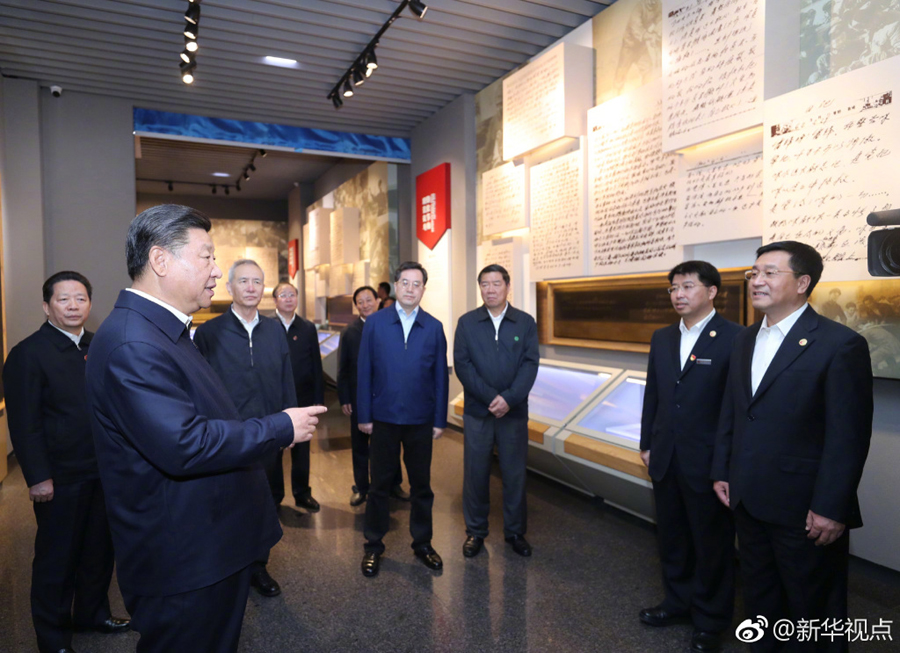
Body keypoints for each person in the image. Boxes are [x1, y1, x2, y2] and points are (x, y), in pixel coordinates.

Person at [85, 205, 325, 653]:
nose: (216, 271)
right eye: (207, 257)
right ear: (160, 260)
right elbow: (186, 443)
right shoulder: (133, 342)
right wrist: (279, 426)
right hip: (185, 560)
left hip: (207, 546)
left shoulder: (162, 331)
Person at [712, 241, 873, 653]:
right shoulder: (744, 339)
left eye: (770, 272)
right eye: (754, 273)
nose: (757, 281)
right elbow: (734, 411)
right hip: (748, 498)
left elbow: (848, 437)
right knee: (760, 602)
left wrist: (831, 507)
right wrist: (723, 470)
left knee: (813, 611)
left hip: (804, 509)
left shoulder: (839, 344)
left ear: (803, 283)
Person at [3, 271, 130, 653]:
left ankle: (93, 614)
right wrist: (37, 477)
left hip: (102, 471)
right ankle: (53, 638)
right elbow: (24, 423)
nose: (73, 306)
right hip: (60, 477)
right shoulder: (28, 353)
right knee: (57, 561)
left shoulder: (99, 345)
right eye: (63, 299)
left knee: (98, 552)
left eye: (80, 299)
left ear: (89, 304)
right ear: (47, 306)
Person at [638, 261, 742, 653]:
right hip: (666, 456)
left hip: (709, 462)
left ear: (712, 291)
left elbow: (735, 407)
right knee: (672, 537)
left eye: (687, 286)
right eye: (673, 288)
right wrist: (646, 443)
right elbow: (654, 393)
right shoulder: (663, 337)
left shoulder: (735, 338)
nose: (678, 295)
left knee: (712, 544)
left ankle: (710, 620)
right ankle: (677, 602)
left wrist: (726, 462)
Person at [193, 260, 296, 599]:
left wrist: (289, 423)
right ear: (230, 287)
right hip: (226, 435)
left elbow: (286, 378)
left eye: (257, 282)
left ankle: (258, 566)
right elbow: (200, 387)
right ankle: (226, 566)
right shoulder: (209, 333)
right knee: (228, 502)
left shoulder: (275, 330)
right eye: (243, 281)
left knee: (264, 501)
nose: (251, 287)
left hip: (268, 432)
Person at [357, 261, 449, 578]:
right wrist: (364, 414)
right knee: (379, 485)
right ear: (396, 286)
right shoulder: (376, 323)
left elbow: (440, 377)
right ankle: (373, 545)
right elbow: (364, 370)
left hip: (420, 420)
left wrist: (440, 419)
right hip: (383, 418)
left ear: (424, 289)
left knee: (421, 486)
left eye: (417, 284)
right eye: (405, 283)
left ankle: (423, 543)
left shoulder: (433, 327)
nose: (411, 289)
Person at [453, 264, 539, 559]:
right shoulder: (467, 323)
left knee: (514, 474)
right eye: (485, 284)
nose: (490, 290)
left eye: (496, 284)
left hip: (513, 413)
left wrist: (509, 399)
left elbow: (530, 364)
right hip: (479, 411)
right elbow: (463, 365)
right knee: (476, 473)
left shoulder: (525, 322)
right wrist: (492, 398)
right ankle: (475, 532)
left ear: (507, 286)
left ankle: (515, 532)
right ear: (480, 288)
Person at [337, 285, 407, 506]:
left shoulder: (392, 327)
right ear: (356, 306)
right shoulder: (349, 332)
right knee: (360, 445)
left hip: (387, 397)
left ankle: (394, 484)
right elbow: (343, 368)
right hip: (359, 398)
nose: (365, 305)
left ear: (378, 301)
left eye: (369, 300)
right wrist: (345, 398)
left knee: (390, 443)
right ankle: (362, 487)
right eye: (360, 302)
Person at [272, 281, 324, 513]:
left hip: (302, 398)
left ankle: (302, 494)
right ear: (275, 300)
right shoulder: (266, 326)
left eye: (292, 294)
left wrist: (318, 398)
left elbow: (316, 365)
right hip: (275, 400)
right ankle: (275, 496)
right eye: (283, 295)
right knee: (274, 450)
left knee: (302, 450)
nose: (288, 298)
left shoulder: (307, 328)